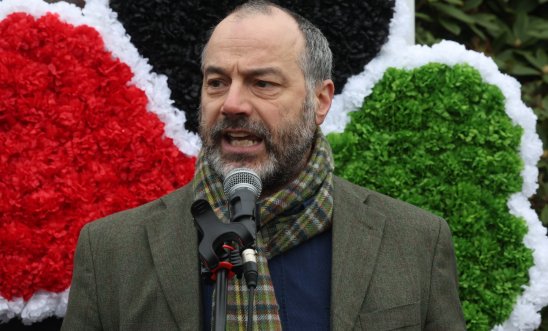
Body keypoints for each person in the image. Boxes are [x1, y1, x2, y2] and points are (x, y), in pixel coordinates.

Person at [62, 1, 466, 330]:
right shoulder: (112, 251)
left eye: (263, 83)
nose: (233, 104)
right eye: (217, 82)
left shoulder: (415, 242)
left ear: (320, 101)